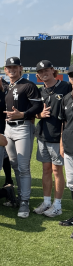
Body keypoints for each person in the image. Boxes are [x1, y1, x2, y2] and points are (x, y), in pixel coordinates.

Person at [3, 57, 43, 218]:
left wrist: (24, 114)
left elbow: (38, 105)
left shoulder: (28, 84)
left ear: (21, 68)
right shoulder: (7, 86)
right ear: (5, 70)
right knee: (14, 165)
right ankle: (20, 197)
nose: (11, 69)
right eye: (8, 67)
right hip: (8, 129)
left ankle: (25, 201)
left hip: (23, 127)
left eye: (14, 67)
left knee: (24, 167)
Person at [33, 60, 71, 217]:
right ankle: (47, 202)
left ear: (53, 70)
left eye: (47, 70)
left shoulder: (65, 87)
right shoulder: (39, 91)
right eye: (41, 71)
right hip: (43, 135)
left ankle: (58, 204)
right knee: (46, 170)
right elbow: (34, 112)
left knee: (57, 171)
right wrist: (38, 115)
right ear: (38, 75)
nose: (44, 73)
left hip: (58, 136)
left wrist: (63, 140)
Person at [59, 65, 73, 238]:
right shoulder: (67, 98)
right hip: (69, 147)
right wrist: (62, 144)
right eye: (72, 76)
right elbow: (64, 124)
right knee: (72, 184)